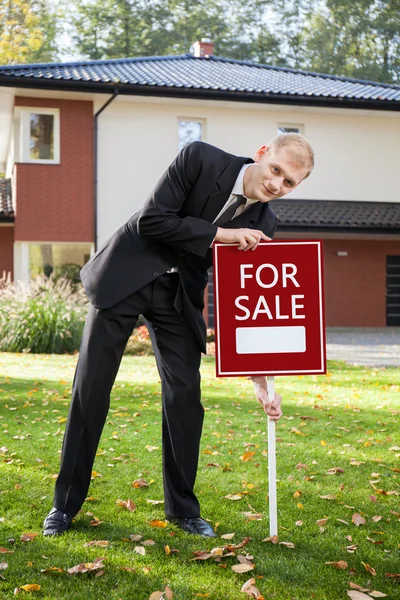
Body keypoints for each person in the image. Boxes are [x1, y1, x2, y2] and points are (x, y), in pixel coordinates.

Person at [43, 133, 314, 538]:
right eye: (276, 170)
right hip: (126, 276)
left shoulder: (264, 223)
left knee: (186, 397)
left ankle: (184, 510)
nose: (276, 185)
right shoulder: (200, 158)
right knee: (92, 388)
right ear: (262, 154)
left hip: (178, 297)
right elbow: (151, 219)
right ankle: (64, 506)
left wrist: (261, 380)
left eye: (289, 182)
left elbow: (250, 303)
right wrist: (222, 236)